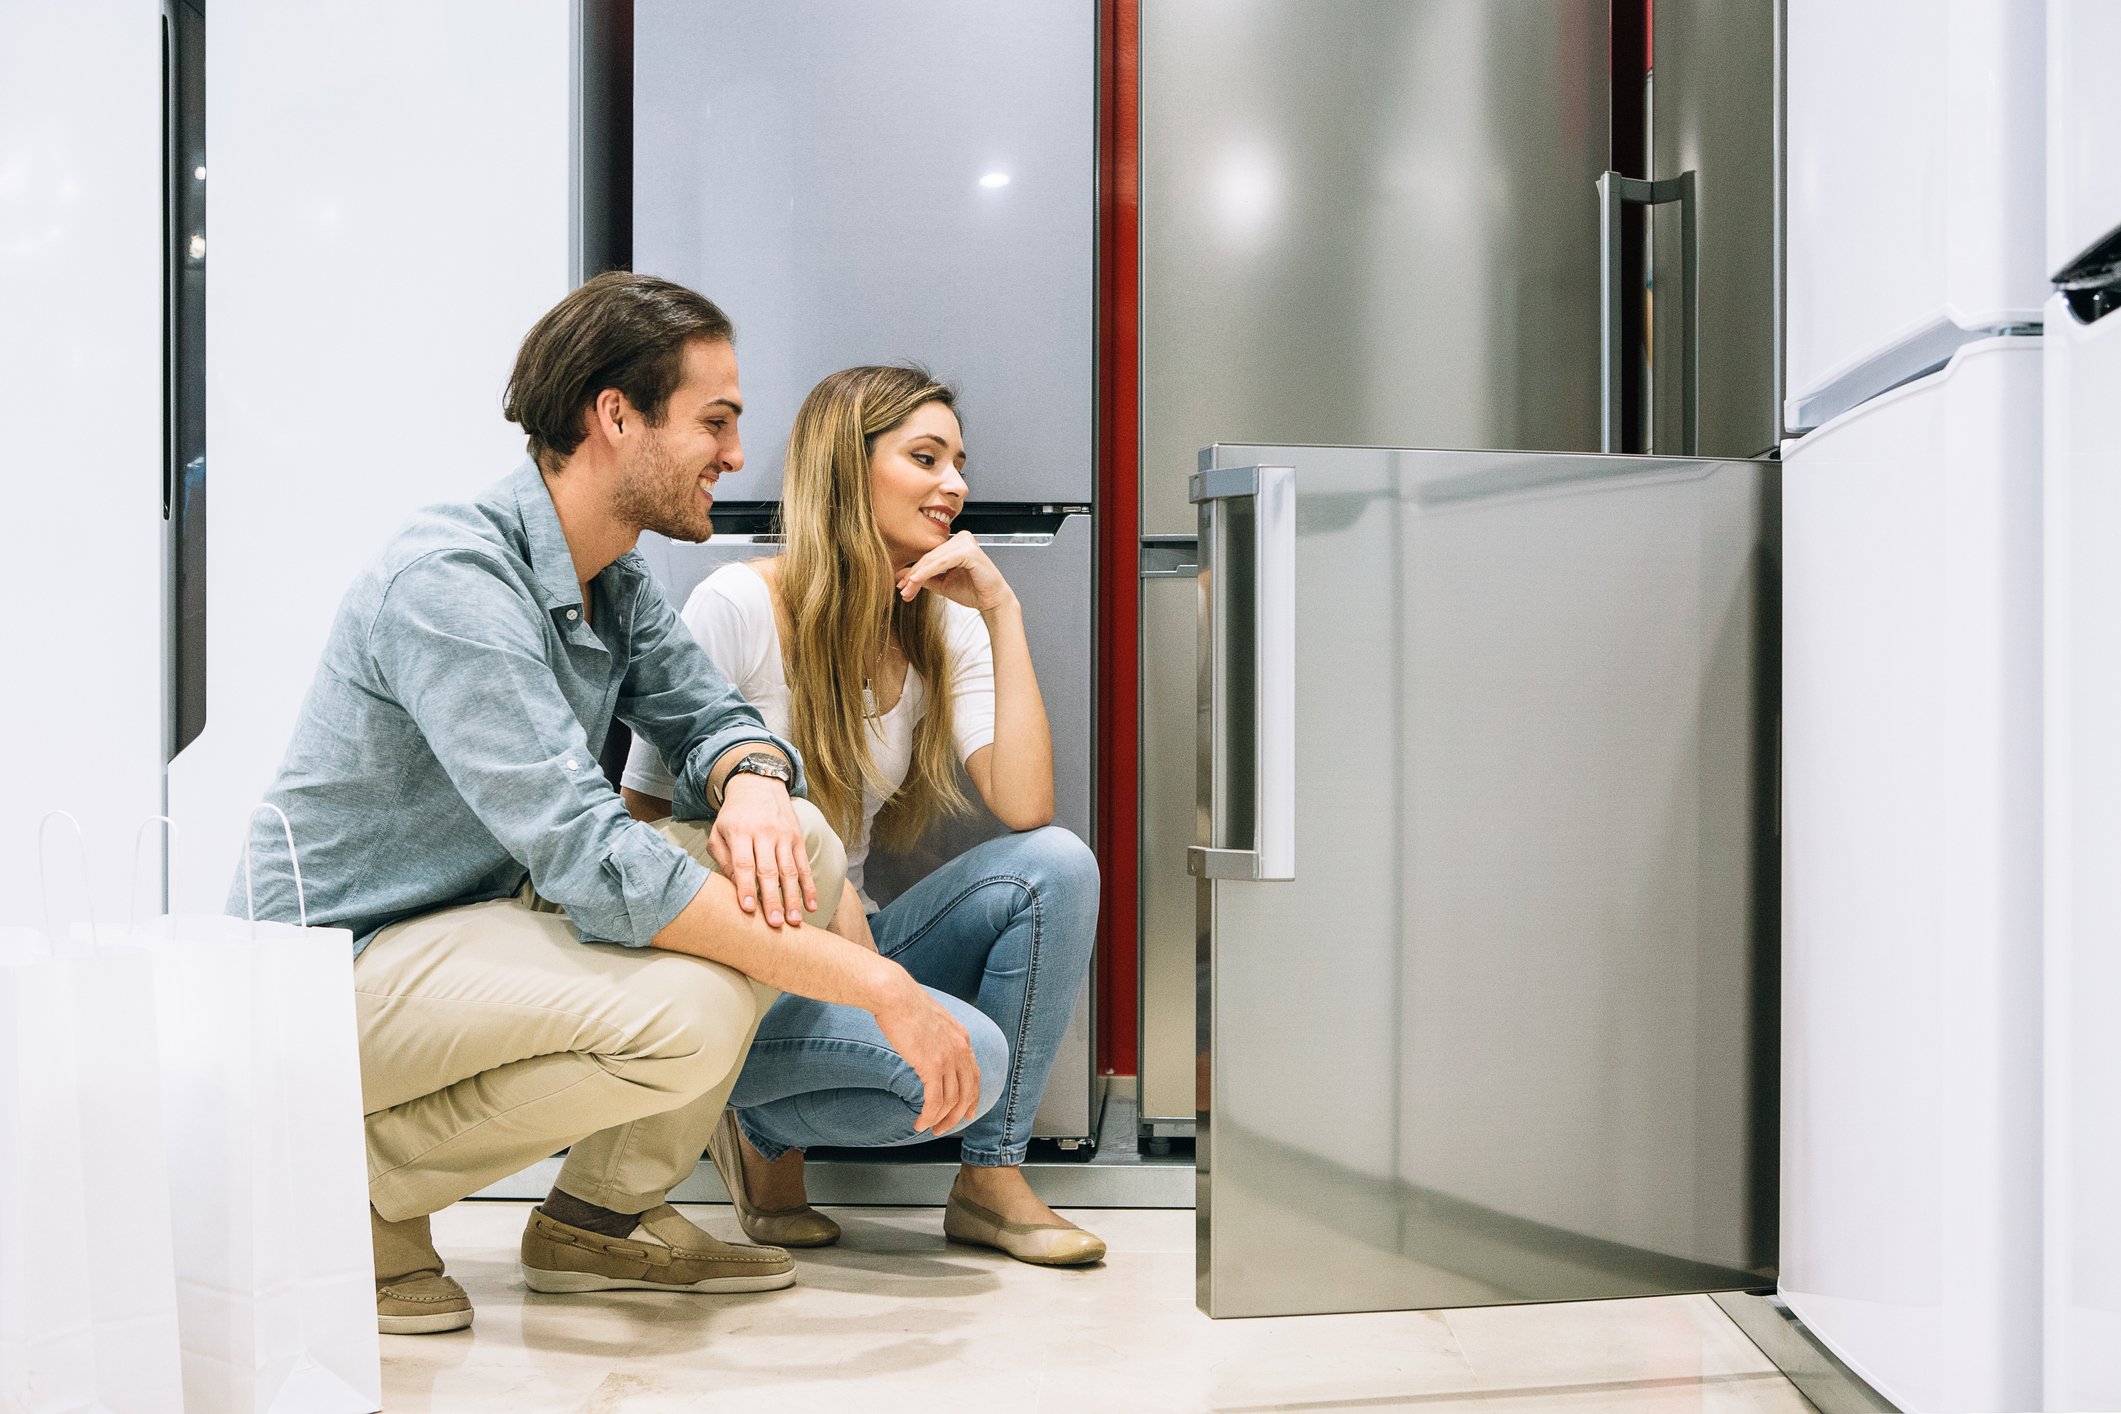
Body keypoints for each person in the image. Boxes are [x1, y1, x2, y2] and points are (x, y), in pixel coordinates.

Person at [234, 276, 987, 1335]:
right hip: (334, 968)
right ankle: (337, 1183)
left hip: (471, 931)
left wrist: (757, 784)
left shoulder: (613, 580)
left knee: (803, 849)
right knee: (687, 1015)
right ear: (616, 415)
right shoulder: (454, 581)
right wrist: (880, 985)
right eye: (714, 421)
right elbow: (593, 856)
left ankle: (597, 1218)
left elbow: (716, 714)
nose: (735, 454)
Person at [621, 365, 1104, 1267]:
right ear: (849, 467)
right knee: (977, 1057)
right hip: (747, 963)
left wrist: (1000, 610)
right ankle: (761, 1130)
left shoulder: (939, 620)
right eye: (925, 457)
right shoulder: (737, 607)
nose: (954, 484)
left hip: (864, 942)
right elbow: (640, 816)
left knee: (1059, 863)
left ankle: (988, 1179)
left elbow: (1024, 804)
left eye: (958, 462)